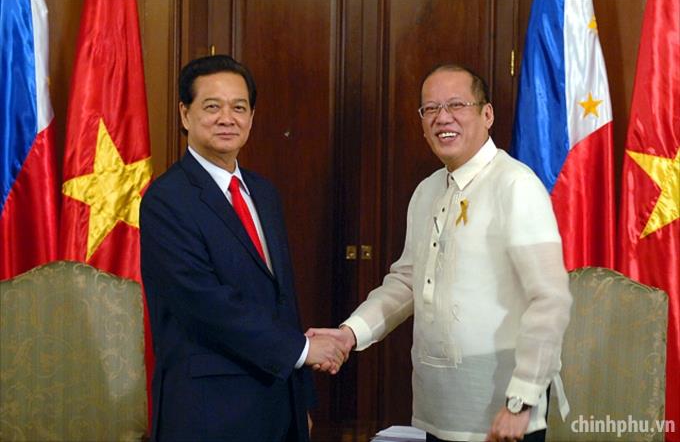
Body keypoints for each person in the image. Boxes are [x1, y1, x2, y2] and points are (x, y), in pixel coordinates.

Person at [307, 64, 572, 442]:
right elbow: (407, 283)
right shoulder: (427, 190)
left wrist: (522, 400)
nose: (442, 118)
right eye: (430, 109)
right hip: (438, 409)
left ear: (487, 114)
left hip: (502, 413)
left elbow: (550, 299)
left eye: (456, 105)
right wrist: (350, 334)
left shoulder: (516, 186)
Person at [140, 54, 347, 442]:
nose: (227, 118)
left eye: (239, 107)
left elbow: (284, 301)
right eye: (212, 107)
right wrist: (302, 350)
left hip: (278, 403)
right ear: (185, 114)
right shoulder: (166, 200)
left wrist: (300, 399)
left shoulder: (263, 193)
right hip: (210, 413)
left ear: (251, 117)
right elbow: (205, 304)